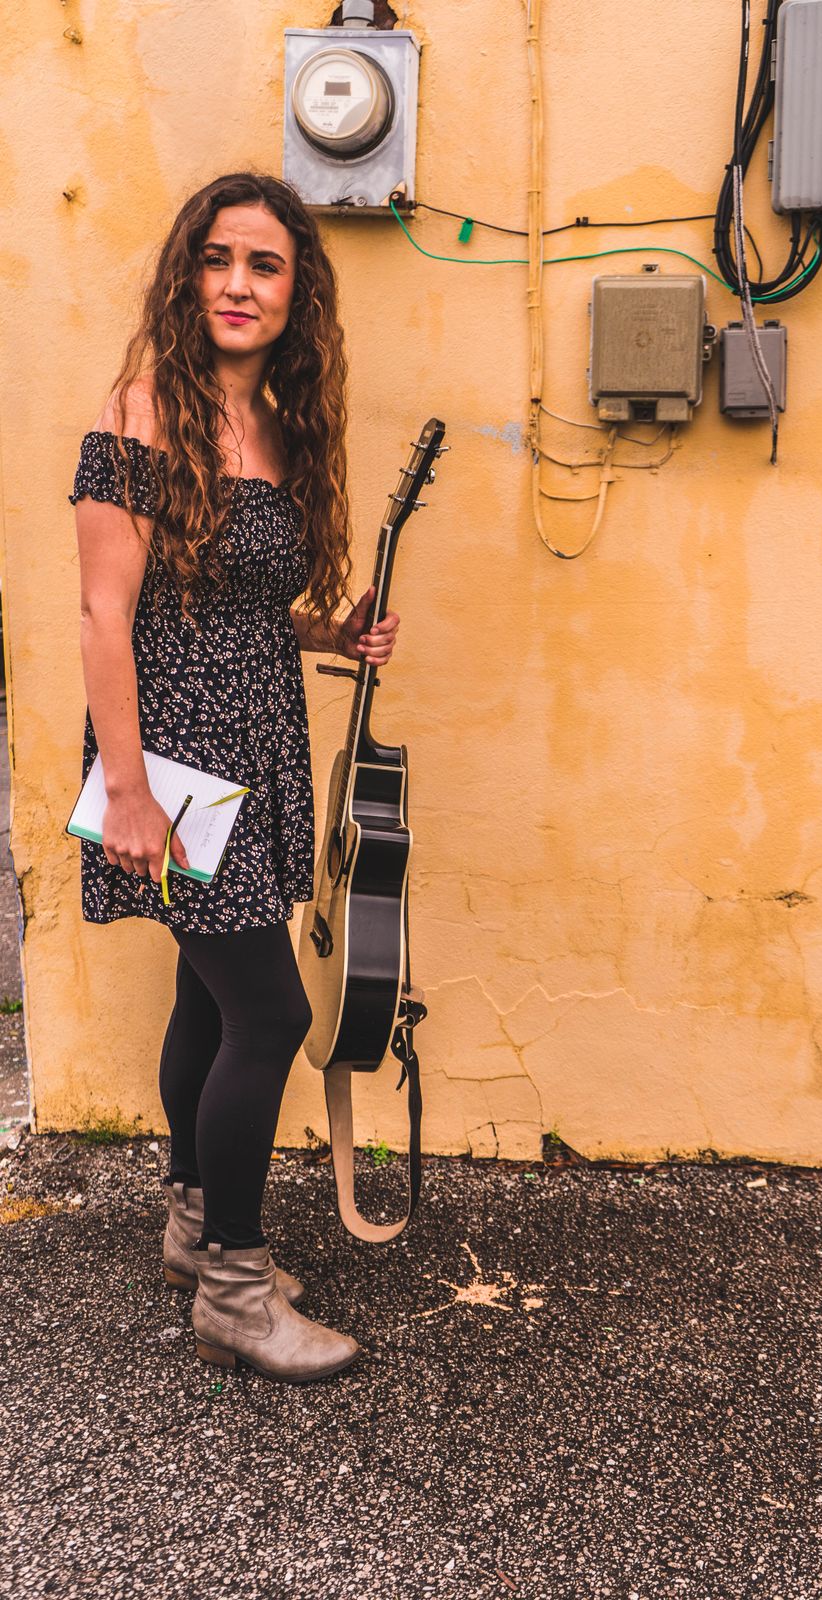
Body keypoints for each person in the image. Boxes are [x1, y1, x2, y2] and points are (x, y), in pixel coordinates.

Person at [71, 172, 400, 1384]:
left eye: (264, 264)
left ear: (296, 290)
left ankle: (192, 1222)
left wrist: (329, 631)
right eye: (217, 259)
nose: (236, 284)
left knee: (207, 1002)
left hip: (256, 746)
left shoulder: (280, 423)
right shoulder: (143, 414)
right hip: (173, 765)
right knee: (270, 1014)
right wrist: (127, 791)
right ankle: (235, 1291)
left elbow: (231, 602)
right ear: (186, 274)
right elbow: (106, 614)